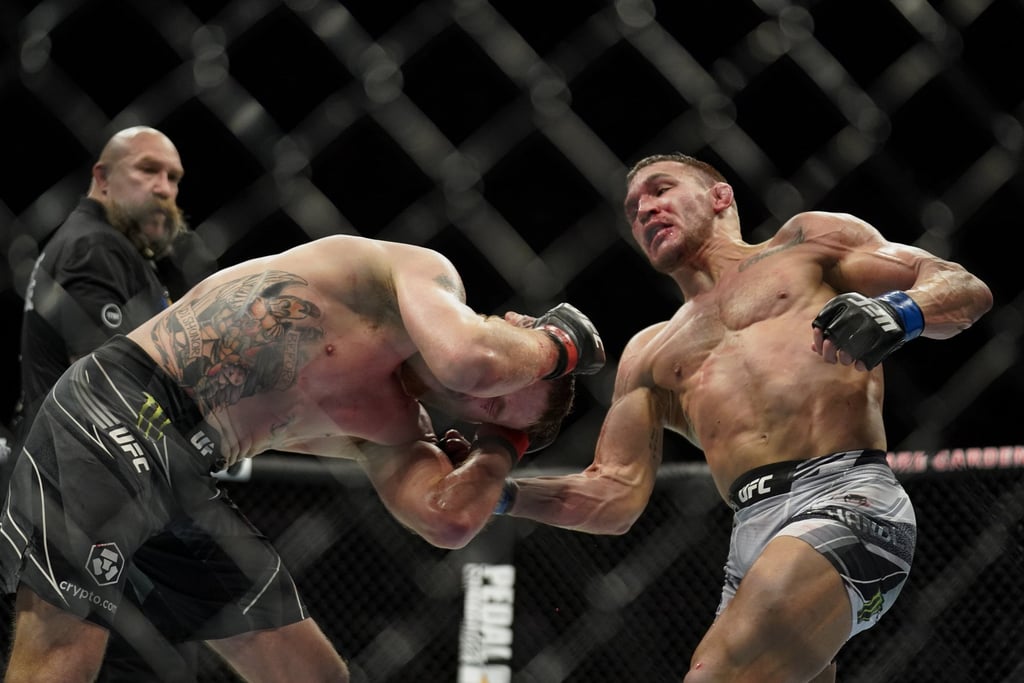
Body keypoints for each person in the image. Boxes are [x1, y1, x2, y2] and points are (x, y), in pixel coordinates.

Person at [0, 233, 605, 682]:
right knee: (62, 656)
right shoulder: (413, 276)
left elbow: (447, 518)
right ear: (511, 328)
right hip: (122, 404)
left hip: (186, 477)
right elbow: (472, 359)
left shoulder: (396, 426)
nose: (484, 395)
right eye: (506, 377)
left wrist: (506, 445)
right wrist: (562, 342)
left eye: (494, 410)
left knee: (313, 676)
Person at [495, 153, 993, 683]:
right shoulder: (648, 353)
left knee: (716, 675)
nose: (645, 210)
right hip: (749, 543)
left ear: (720, 196)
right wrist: (502, 494)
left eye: (660, 189)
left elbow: (963, 288)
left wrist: (901, 311)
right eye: (634, 208)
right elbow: (613, 496)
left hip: (845, 498)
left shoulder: (807, 243)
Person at [5, 125, 213, 682]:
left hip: (102, 494)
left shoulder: (112, 252)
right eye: (148, 170)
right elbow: (118, 385)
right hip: (89, 496)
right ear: (102, 177)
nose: (165, 187)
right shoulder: (92, 247)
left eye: (174, 177)